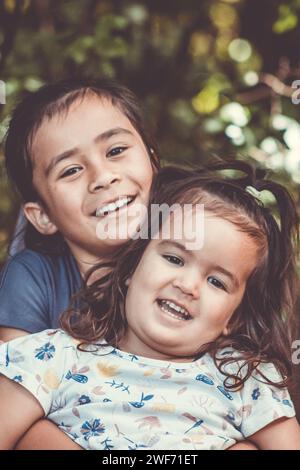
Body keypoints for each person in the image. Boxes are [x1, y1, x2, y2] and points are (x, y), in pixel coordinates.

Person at [0, 162, 299, 450]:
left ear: (234, 318)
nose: (187, 285)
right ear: (132, 267)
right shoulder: (56, 355)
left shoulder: (245, 378)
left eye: (217, 282)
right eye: (174, 259)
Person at [0, 77, 159, 449]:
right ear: (42, 217)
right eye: (70, 170)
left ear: (152, 157)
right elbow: (14, 405)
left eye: (116, 150)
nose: (103, 177)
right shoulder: (33, 276)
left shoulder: (191, 256)